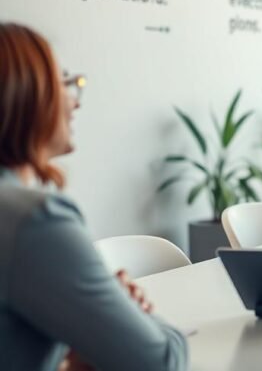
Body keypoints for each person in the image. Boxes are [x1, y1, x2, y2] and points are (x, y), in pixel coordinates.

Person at [0, 22, 188, 371]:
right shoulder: (34, 221)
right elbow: (161, 362)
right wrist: (131, 311)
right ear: (28, 95)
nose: (76, 101)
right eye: (66, 82)